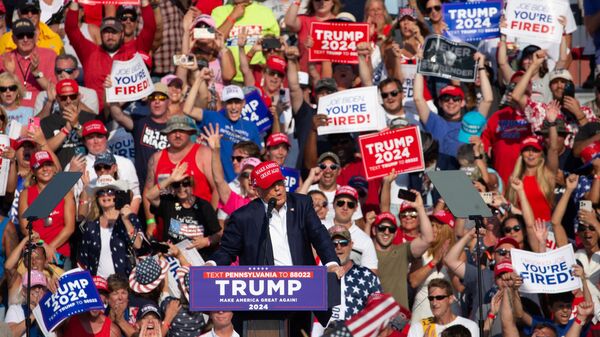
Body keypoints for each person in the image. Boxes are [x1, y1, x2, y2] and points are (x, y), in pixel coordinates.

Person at [65, 0, 155, 111]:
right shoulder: (89, 52)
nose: (110, 36)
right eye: (106, 32)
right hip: (95, 114)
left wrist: (144, 1)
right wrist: (75, 1)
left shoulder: (134, 50)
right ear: (101, 34)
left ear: (122, 34)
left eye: (114, 32)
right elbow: (71, 29)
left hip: (126, 112)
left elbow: (150, 28)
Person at [184, 85, 261, 183]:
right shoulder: (213, 117)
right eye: (229, 103)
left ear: (243, 103)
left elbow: (257, 158)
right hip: (218, 183)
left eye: (237, 102)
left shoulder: (251, 127)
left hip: (242, 185)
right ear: (223, 104)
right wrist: (199, 79)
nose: (233, 107)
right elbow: (187, 109)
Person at [145, 161, 221, 260]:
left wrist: (206, 241)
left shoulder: (204, 206)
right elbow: (149, 195)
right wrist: (170, 179)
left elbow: (218, 235)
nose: (181, 188)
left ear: (192, 184)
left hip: (197, 257)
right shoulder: (168, 202)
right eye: (176, 184)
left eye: (186, 183)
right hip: (171, 258)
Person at [374, 189, 434, 310]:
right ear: (374, 230)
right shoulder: (368, 250)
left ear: (395, 232)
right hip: (373, 315)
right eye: (382, 228)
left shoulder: (402, 250)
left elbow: (428, 238)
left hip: (399, 314)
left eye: (390, 229)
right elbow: (385, 209)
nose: (386, 232)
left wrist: (420, 207)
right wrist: (387, 183)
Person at [18, 150, 75, 269]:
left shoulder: (65, 191)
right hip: (35, 254)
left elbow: (69, 227)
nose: (45, 169)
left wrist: (51, 248)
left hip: (59, 254)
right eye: (40, 166)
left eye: (48, 165)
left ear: (54, 168)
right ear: (33, 171)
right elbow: (25, 228)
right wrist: (43, 247)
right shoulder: (26, 194)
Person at [78, 175, 142, 278]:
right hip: (99, 286)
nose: (106, 195)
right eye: (101, 192)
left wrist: (125, 220)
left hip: (125, 284)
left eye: (110, 191)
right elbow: (84, 260)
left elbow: (138, 245)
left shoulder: (130, 218)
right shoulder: (91, 226)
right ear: (97, 197)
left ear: (116, 195)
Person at [327, 225, 381, 323]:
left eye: (343, 243)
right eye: (333, 244)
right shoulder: (317, 276)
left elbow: (379, 313)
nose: (339, 247)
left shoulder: (367, 276)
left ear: (351, 245)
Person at [40, 79, 97, 168]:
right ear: (57, 98)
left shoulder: (90, 118)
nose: (68, 101)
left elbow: (96, 144)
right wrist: (66, 130)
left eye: (72, 96)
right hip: (61, 175)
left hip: (88, 171)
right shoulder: (47, 122)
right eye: (63, 98)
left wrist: (76, 125)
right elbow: (45, 151)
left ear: (79, 96)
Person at [0, 18, 56, 108]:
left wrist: (36, 73)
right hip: (13, 112)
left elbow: (54, 91)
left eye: (29, 35)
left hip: (41, 110)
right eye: (20, 36)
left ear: (35, 36)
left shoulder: (49, 55)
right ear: (14, 39)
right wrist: (10, 74)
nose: (25, 39)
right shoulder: (4, 58)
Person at [322, 185, 378, 272]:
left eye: (350, 204)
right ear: (333, 204)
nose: (345, 207)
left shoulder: (365, 240)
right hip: (320, 282)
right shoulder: (320, 227)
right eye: (340, 203)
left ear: (356, 208)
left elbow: (372, 274)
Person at [407, 278, 479, 337]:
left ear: (450, 299)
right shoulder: (418, 328)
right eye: (431, 298)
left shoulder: (469, 326)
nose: (434, 303)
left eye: (439, 297)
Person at [34, 53, 99, 117]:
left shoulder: (90, 93)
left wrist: (76, 99)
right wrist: (49, 102)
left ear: (76, 73)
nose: (63, 74)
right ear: (55, 73)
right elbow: (34, 124)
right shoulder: (43, 96)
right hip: (54, 127)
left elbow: (94, 120)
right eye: (59, 71)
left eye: (68, 71)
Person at [4, 270, 54, 337]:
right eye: (33, 287)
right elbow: (9, 335)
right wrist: (36, 312)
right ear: (24, 292)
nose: (37, 290)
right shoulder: (15, 309)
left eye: (40, 287)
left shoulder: (51, 311)